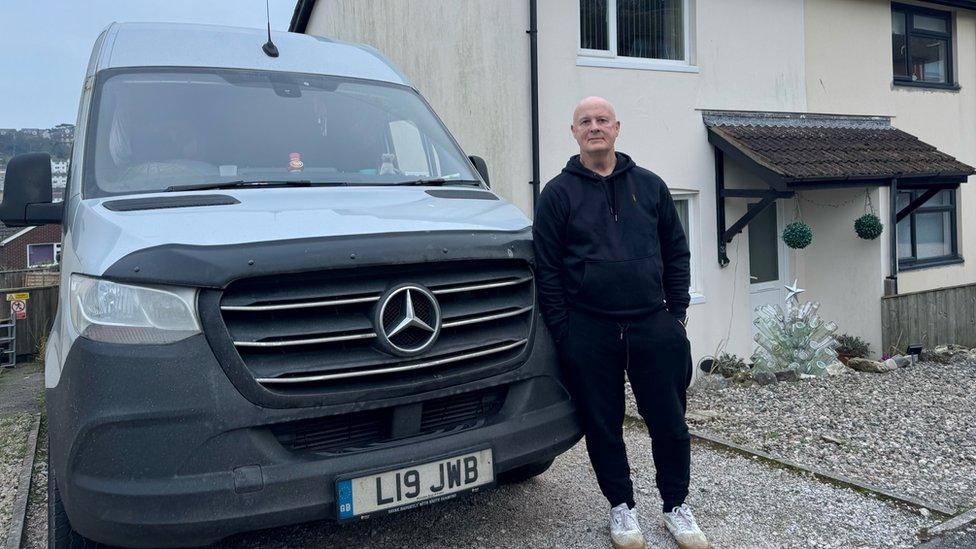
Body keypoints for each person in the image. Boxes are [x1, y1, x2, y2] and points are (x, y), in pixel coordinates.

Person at [533, 97, 709, 549]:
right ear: (573, 132)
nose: (595, 127)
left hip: (653, 323)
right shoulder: (557, 194)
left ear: (617, 128)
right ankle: (622, 507)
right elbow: (547, 269)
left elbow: (676, 253)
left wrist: (677, 315)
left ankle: (675, 507)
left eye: (602, 120)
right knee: (603, 424)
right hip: (589, 329)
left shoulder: (650, 187)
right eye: (585, 122)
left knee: (669, 421)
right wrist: (564, 330)